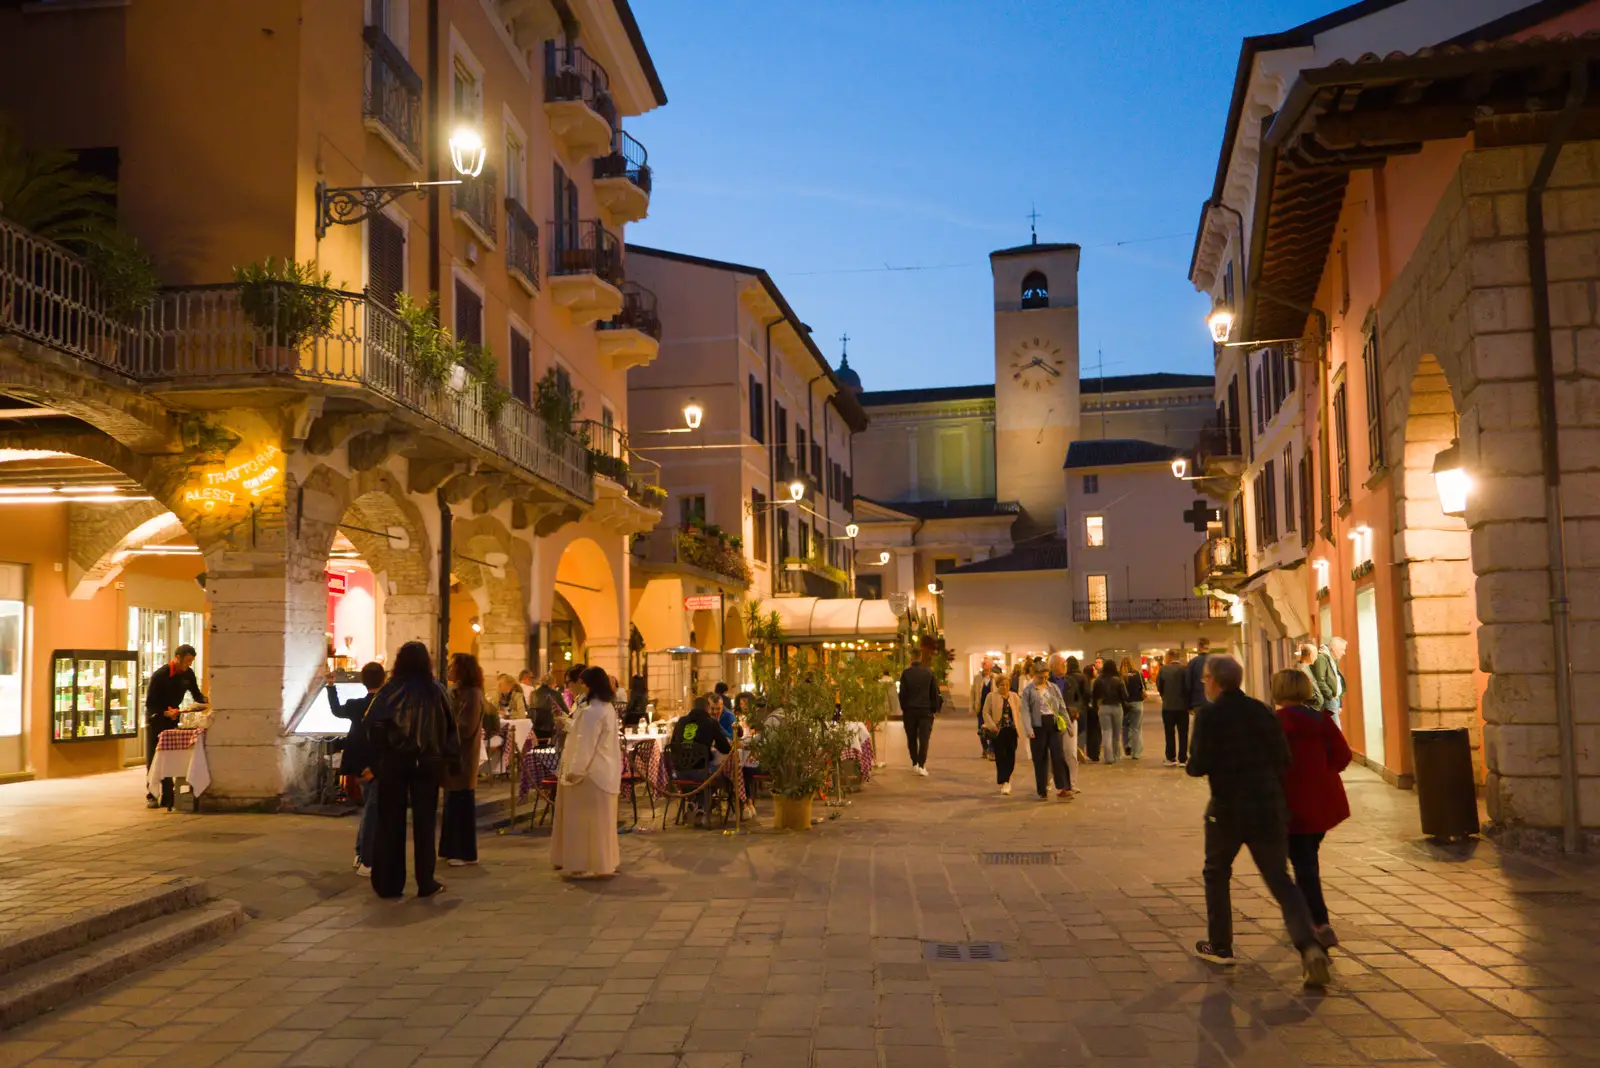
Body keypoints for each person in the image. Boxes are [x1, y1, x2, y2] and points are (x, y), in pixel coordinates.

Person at [1186, 654, 1331, 988]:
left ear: (1214, 681)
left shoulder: (1209, 716)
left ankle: (1221, 945)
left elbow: (1197, 765)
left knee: (1217, 872)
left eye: (1205, 677)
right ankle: (1309, 947)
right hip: (1267, 806)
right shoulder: (1262, 710)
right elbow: (1283, 757)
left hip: (1228, 808)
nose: (1203, 682)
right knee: (1280, 879)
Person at [366, 641, 457, 900]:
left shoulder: (389, 691)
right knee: (425, 823)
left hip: (395, 762)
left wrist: (381, 754)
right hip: (428, 763)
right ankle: (425, 881)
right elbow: (451, 728)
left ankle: (388, 882)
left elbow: (372, 725)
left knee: (390, 821)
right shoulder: (437, 691)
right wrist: (449, 758)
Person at [1273, 668, 1352, 949]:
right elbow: (1343, 756)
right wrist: (1322, 771)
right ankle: (1311, 919)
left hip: (1288, 804)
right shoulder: (1321, 721)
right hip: (1320, 803)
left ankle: (1318, 922)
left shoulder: (1273, 723)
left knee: (1302, 866)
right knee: (1308, 859)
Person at [551, 666, 622, 877]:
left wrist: (575, 771)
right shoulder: (605, 708)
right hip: (603, 772)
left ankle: (581, 863)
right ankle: (603, 862)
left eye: (582, 682)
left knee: (583, 824)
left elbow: (586, 743)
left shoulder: (592, 711)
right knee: (601, 825)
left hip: (590, 774)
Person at [328, 661, 385, 875]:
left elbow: (336, 710)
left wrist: (331, 687)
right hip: (375, 765)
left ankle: (360, 853)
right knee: (372, 811)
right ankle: (365, 859)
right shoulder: (385, 707)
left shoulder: (354, 705)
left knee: (369, 809)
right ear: (384, 679)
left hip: (358, 763)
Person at [144, 644, 207, 809]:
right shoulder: (161, 675)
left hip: (173, 717)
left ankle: (168, 796)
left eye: (192, 661)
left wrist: (207, 700)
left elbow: (196, 694)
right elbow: (150, 703)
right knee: (155, 757)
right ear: (177, 658)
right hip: (157, 718)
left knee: (170, 756)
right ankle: (152, 794)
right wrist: (165, 712)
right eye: (187, 661)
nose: (189, 665)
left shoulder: (188, 674)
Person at [440, 653, 487, 868]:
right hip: (452, 755)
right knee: (452, 802)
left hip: (462, 756)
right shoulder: (455, 692)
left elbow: (466, 727)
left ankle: (465, 852)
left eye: (452, 666)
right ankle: (450, 848)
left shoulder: (473, 694)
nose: (448, 669)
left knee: (461, 803)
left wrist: (444, 736)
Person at [669, 695, 731, 826]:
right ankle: (701, 806)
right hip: (701, 773)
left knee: (707, 773)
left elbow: (673, 745)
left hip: (680, 772)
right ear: (707, 708)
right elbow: (725, 749)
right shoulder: (710, 722)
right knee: (721, 774)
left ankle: (694, 802)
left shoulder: (681, 721)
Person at [1022, 659, 1071, 799]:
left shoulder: (1053, 688)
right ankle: (1042, 790)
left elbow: (1061, 707)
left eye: (1046, 676)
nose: (1044, 679)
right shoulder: (1028, 691)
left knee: (1058, 756)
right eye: (1040, 677)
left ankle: (1063, 787)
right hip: (1038, 726)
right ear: (1034, 675)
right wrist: (1028, 729)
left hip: (1053, 723)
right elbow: (1025, 711)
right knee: (1040, 758)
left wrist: (1068, 725)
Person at [897, 637, 941, 776]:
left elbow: (902, 694)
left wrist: (905, 708)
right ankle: (922, 764)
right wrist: (934, 709)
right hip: (925, 710)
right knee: (924, 738)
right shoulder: (928, 673)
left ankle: (914, 762)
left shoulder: (906, 674)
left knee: (911, 738)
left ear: (911, 658)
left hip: (910, 711)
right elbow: (934, 692)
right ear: (920, 657)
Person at [981, 671, 1026, 795]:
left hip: (1011, 730)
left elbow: (1022, 709)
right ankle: (1003, 781)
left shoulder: (1014, 696)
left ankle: (1007, 778)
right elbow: (985, 712)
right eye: (1002, 685)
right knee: (1001, 756)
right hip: (998, 731)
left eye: (1007, 685)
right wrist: (992, 726)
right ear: (997, 685)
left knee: (1011, 755)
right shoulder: (991, 696)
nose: (1005, 687)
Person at [1156, 649, 1190, 766]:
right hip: (1182, 706)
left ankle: (1170, 757)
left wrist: (1164, 696)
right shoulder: (1185, 669)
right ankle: (1183, 758)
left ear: (1169, 657)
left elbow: (1159, 686)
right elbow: (1188, 687)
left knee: (1169, 732)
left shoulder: (1163, 669)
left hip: (1168, 706)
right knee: (1183, 733)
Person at [1058, 655, 1088, 782]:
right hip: (1073, 712)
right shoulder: (1081, 677)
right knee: (1079, 733)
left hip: (1070, 713)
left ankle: (1071, 781)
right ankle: (1079, 748)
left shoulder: (1069, 680)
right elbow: (1085, 694)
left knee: (1068, 745)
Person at [1092, 662, 1128, 766]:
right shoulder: (1118, 679)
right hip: (1117, 707)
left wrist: (1096, 707)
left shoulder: (1098, 680)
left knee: (1106, 732)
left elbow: (1094, 696)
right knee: (1116, 734)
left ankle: (1108, 758)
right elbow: (1125, 696)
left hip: (1103, 707)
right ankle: (1116, 756)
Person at [1312, 637, 1348, 726]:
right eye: (1342, 650)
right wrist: (1330, 697)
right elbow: (1320, 680)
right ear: (1334, 648)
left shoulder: (1331, 660)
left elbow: (1336, 681)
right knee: (1335, 732)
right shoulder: (1322, 658)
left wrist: (1338, 701)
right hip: (1329, 700)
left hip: (1334, 699)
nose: (1344, 653)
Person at [531, 667, 569, 745]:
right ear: (552, 684)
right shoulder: (556, 694)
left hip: (535, 727)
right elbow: (565, 711)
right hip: (551, 728)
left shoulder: (533, 693)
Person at [1120, 657, 1145, 760]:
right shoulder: (1138, 674)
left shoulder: (1120, 675)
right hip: (1137, 703)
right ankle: (1136, 753)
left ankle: (1127, 746)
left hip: (1124, 705)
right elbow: (1142, 688)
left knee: (1125, 727)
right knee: (1136, 728)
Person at [970, 656, 995, 759]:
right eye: (983, 664)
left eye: (986, 663)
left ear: (991, 665)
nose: (984, 665)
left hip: (992, 708)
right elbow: (973, 693)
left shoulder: (995, 677)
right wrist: (972, 706)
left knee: (993, 728)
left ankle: (991, 749)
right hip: (981, 707)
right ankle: (985, 749)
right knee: (981, 729)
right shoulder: (977, 678)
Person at [1185, 638, 1213, 720]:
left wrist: (1188, 705)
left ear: (1198, 647)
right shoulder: (1216, 661)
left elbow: (1188, 684)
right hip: (1215, 701)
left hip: (1198, 701)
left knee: (1201, 728)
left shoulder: (1193, 662)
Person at [1296, 643, 1328, 711]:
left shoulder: (1307, 668)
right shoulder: (1302, 670)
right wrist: (1317, 698)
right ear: (1310, 655)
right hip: (1311, 708)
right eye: (1316, 654)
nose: (1316, 657)